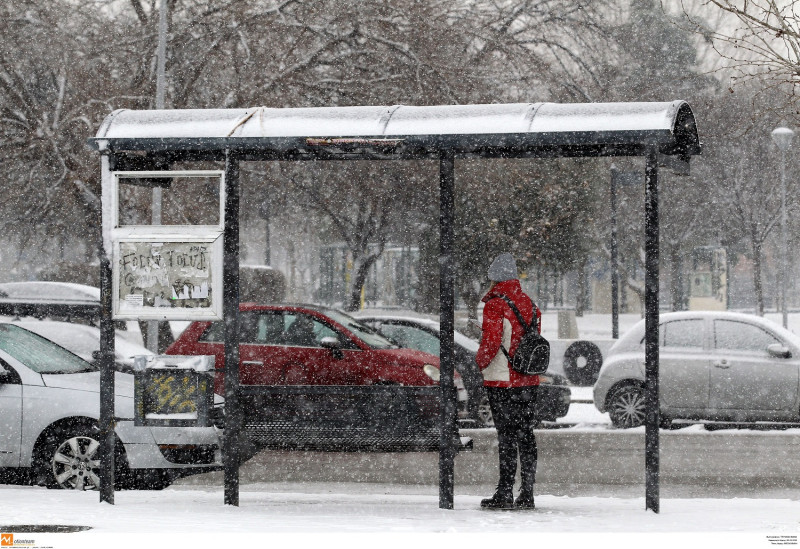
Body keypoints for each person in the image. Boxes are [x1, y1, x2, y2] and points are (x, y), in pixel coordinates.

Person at [476, 252, 541, 510]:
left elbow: (491, 343)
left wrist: (479, 362)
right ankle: (527, 493)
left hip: (502, 380)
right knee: (526, 435)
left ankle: (504, 493)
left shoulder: (495, 304)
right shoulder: (530, 303)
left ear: (494, 278)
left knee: (506, 436)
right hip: (528, 379)